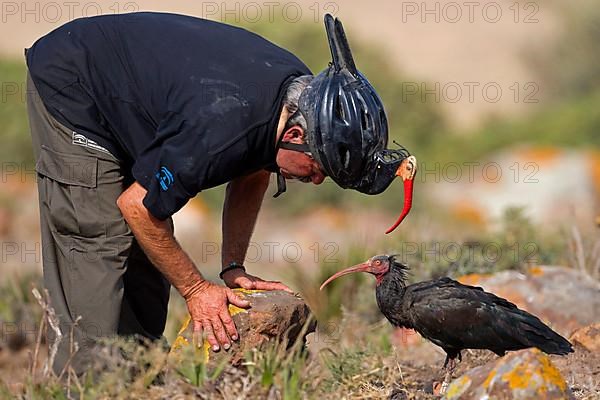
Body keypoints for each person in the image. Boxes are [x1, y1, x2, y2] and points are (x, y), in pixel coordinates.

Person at [25, 11, 416, 374]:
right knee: (101, 241)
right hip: (75, 83)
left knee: (149, 253)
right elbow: (140, 209)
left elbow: (254, 170)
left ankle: (134, 379)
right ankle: (86, 382)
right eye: (319, 169)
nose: (316, 182)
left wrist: (232, 268)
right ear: (296, 135)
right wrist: (196, 290)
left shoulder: (296, 99)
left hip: (136, 100)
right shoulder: (219, 129)